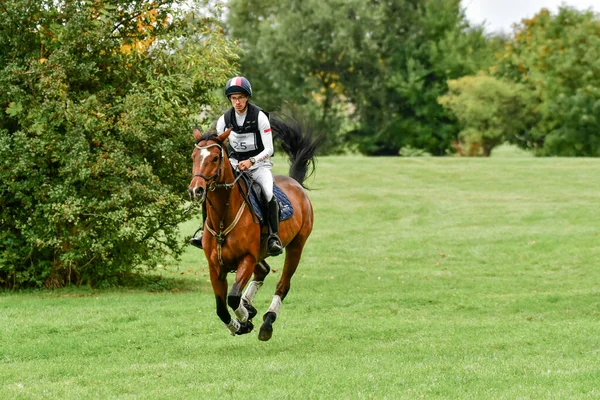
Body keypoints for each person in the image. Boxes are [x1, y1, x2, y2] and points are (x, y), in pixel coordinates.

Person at [190, 76, 283, 256]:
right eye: (233, 98)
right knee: (211, 190)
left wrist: (252, 161)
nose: (237, 102)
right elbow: (218, 147)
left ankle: (273, 236)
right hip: (234, 162)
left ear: (247, 97)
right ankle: (204, 232)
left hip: (259, 164)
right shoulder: (224, 119)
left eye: (240, 97)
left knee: (268, 191)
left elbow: (270, 149)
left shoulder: (259, 117)